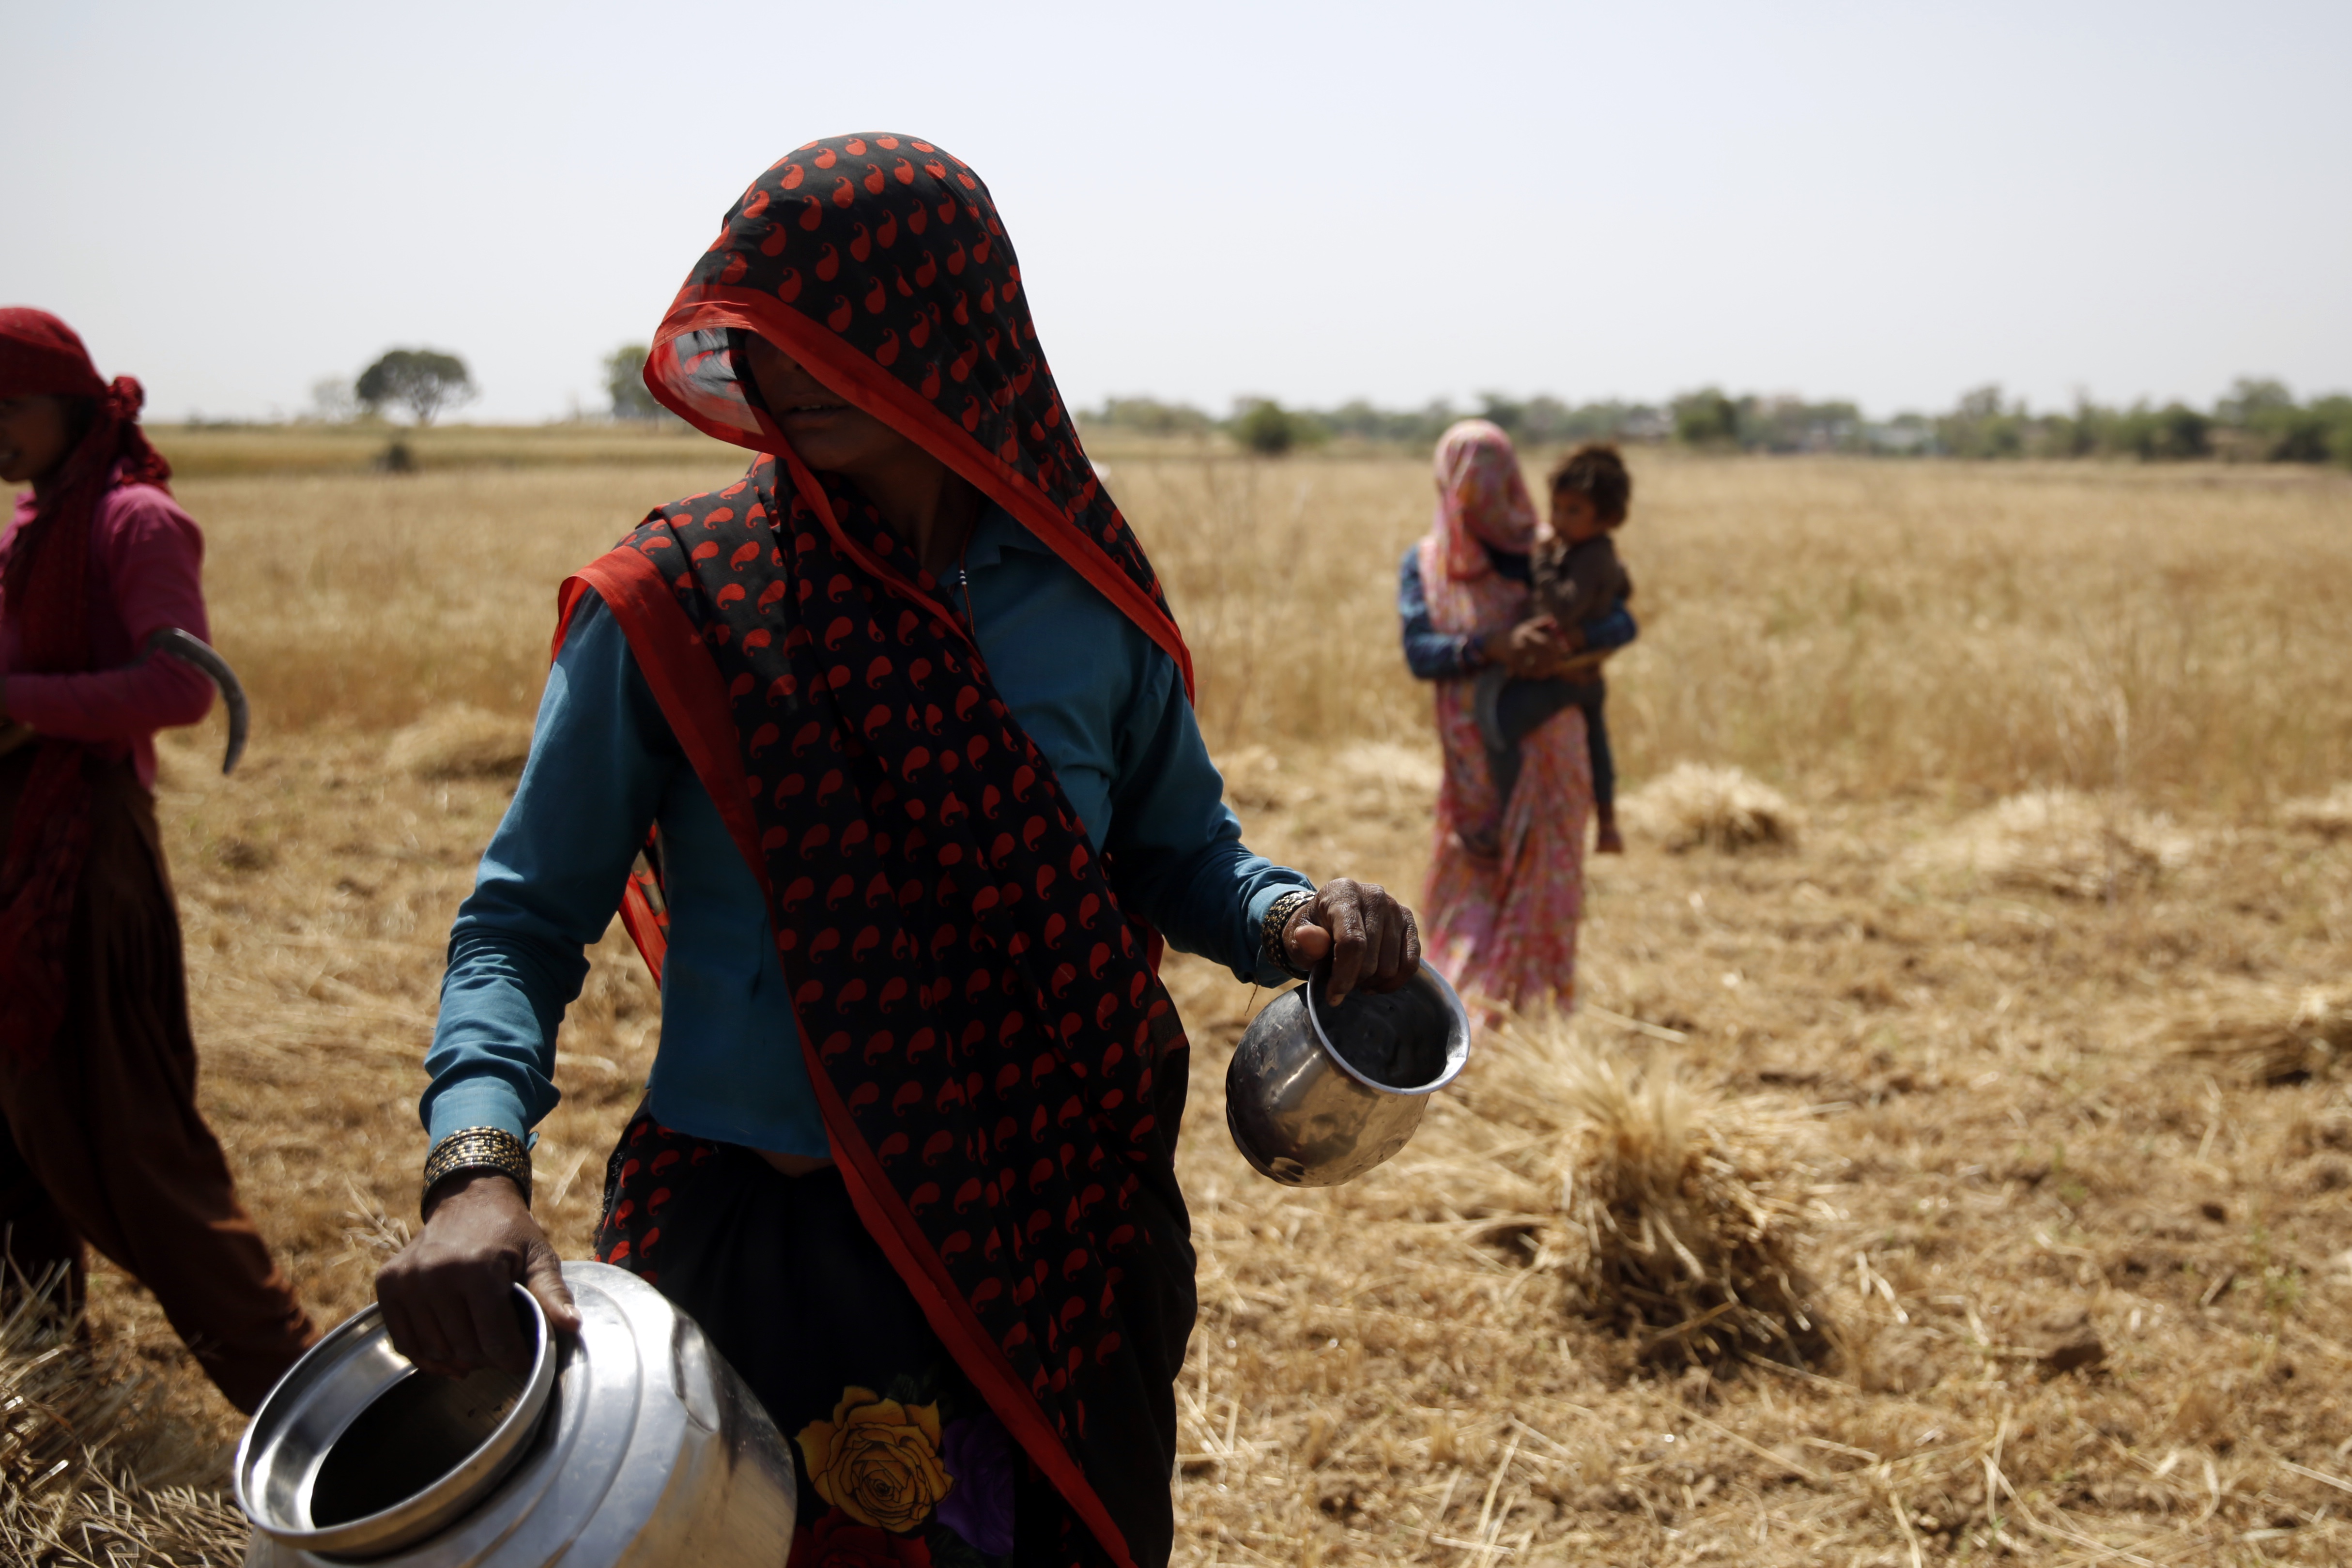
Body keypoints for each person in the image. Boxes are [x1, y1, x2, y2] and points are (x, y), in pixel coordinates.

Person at [373, 134, 1422, 1568]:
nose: (774, 358)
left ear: (949, 327)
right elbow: (516, 924)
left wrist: (1295, 912)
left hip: (1053, 1236)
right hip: (768, 1258)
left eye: (823, 323)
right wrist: (476, 1166)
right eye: (755, 327)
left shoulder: (1083, 603)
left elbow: (1181, 853)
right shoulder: (679, 603)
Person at [0, 307, 317, 1413]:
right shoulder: (29, 531)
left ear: (75, 405)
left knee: (133, 1144)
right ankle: (45, 1373)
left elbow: (182, 685)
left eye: (13, 406)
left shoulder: (134, 521)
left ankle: (316, 1405)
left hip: (88, 865)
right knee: (17, 1130)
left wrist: (18, 707)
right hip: (17, 857)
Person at [1398, 420, 1633, 1013]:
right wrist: (1492, 646)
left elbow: (1622, 620)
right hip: (1473, 754)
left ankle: (1531, 1012)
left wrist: (1572, 642)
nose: (1476, 503)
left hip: (1550, 743)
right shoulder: (1426, 565)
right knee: (1474, 866)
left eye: (1488, 486)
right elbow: (1421, 654)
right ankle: (1461, 1011)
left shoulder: (1547, 550)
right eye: (1466, 489)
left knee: (1544, 881)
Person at [1470, 442, 1635, 853]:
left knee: (1498, 725)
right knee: (1597, 740)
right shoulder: (1595, 552)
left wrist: (1542, 562)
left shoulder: (1587, 555)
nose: (1558, 519)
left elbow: (1563, 607)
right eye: (1556, 507)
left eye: (1573, 511)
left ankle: (1506, 826)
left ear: (1608, 518)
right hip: (1586, 670)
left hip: (1565, 673)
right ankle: (1609, 823)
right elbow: (1623, 589)